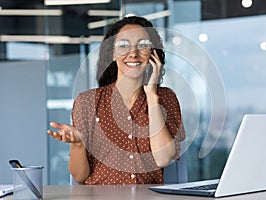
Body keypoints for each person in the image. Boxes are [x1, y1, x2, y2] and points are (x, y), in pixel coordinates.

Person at [47, 16, 185, 185]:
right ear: (112, 53)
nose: (133, 53)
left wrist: (151, 95)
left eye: (142, 45)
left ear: (153, 53)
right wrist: (78, 143)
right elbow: (79, 176)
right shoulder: (87, 102)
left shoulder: (166, 98)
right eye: (123, 45)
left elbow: (163, 159)